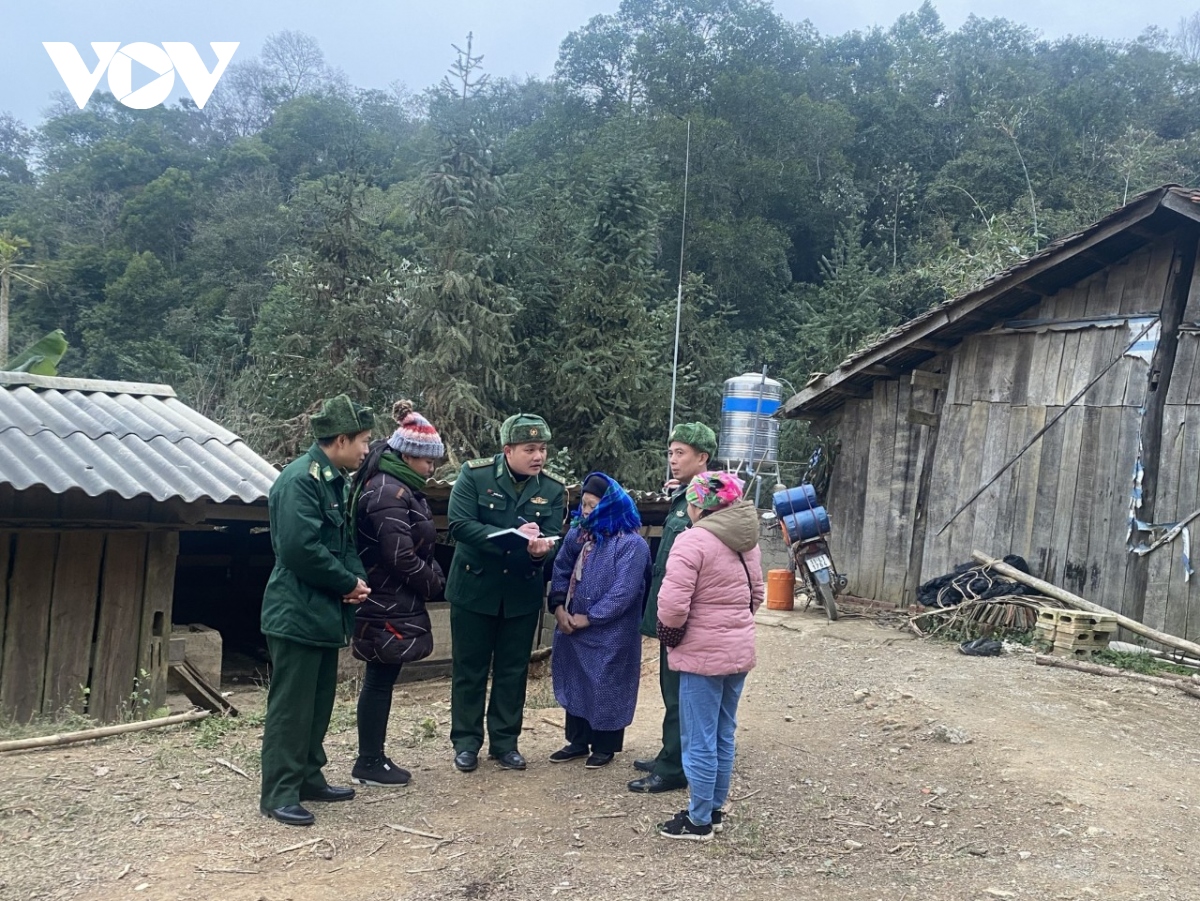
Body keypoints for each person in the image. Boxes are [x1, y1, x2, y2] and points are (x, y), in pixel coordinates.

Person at [259, 395, 374, 827]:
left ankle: (308, 777)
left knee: (318, 702)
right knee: (291, 706)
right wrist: (345, 582)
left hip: (324, 610)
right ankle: (279, 792)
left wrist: (357, 581)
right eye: (362, 441)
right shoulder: (299, 480)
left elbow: (344, 544)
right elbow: (298, 548)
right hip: (297, 611)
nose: (366, 450)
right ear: (340, 440)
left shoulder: (335, 481)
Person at [445, 413, 567, 772]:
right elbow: (459, 524)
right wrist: (509, 536)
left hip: (520, 592)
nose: (538, 456)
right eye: (530, 449)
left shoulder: (552, 489)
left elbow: (553, 540)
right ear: (507, 449)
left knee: (513, 671)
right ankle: (466, 742)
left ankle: (505, 742)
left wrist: (540, 550)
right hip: (475, 588)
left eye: (543, 449)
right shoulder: (475, 475)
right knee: (470, 669)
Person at [655, 471, 764, 841]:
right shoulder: (746, 542)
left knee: (698, 736)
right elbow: (757, 596)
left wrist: (670, 636)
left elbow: (671, 605)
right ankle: (713, 808)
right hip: (738, 650)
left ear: (699, 504)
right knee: (723, 732)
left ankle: (698, 819)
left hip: (702, 654)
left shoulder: (692, 541)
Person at [348, 400, 447, 788]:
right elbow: (400, 555)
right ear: (408, 454)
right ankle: (369, 760)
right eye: (427, 461)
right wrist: (434, 582)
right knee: (378, 679)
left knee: (381, 678)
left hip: (390, 598)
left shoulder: (398, 487)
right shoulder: (388, 491)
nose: (431, 468)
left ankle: (373, 757)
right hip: (385, 601)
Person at [629, 422, 718, 794]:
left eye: (681, 453)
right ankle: (672, 752)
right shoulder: (686, 496)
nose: (673, 459)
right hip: (672, 612)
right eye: (670, 452)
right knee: (672, 688)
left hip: (688, 616)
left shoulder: (711, 498)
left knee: (682, 690)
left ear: (703, 457)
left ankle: (674, 768)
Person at [546, 473, 651, 768]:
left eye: (594, 506)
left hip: (611, 633)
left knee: (608, 682)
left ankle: (605, 746)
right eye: (585, 504)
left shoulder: (632, 545)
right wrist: (558, 607)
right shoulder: (579, 535)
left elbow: (625, 592)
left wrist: (590, 618)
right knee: (577, 678)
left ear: (611, 505)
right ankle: (577, 740)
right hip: (572, 624)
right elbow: (562, 567)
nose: (587, 512)